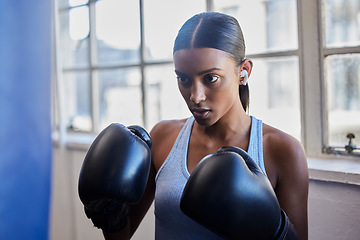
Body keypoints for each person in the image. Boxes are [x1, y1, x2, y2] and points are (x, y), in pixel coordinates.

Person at [80, 12, 309, 240]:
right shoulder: (163, 137)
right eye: (184, 79)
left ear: (244, 72)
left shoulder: (283, 151)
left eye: (210, 78)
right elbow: (121, 236)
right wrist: (110, 214)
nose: (196, 96)